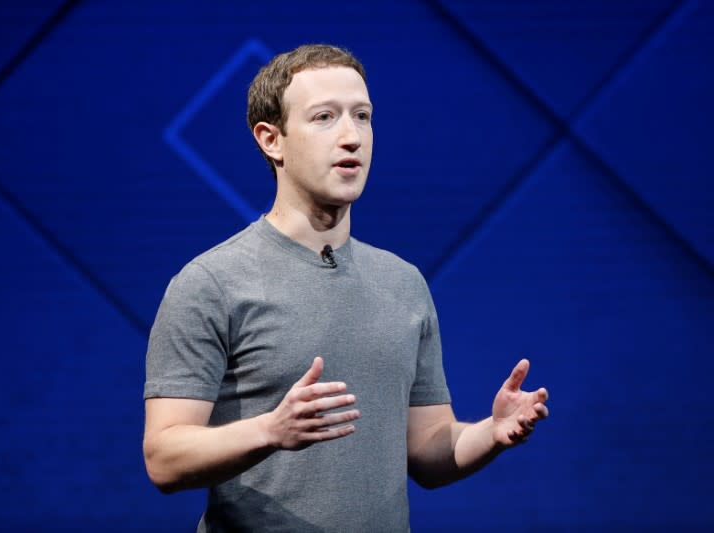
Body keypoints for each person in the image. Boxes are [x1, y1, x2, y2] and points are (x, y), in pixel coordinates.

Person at [143, 44, 549, 532]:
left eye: (362, 116)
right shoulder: (211, 283)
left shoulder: (403, 282)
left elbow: (427, 450)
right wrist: (269, 431)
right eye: (324, 117)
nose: (351, 136)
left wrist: (492, 433)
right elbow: (164, 458)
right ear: (272, 140)